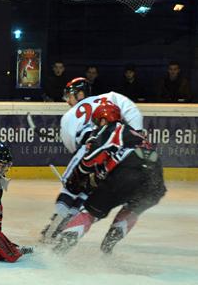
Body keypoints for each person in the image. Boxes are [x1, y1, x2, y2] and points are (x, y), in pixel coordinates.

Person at [40, 77, 143, 244]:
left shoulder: (68, 116)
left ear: (80, 94)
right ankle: (67, 224)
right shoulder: (111, 97)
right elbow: (132, 110)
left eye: (70, 96)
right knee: (87, 191)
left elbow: (72, 145)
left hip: (88, 151)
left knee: (71, 188)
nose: (68, 101)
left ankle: (55, 225)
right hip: (111, 155)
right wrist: (137, 132)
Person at [53, 102, 166, 255]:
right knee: (132, 208)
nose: (97, 127)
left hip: (127, 173)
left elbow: (91, 159)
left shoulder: (111, 129)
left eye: (97, 123)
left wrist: (77, 178)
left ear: (103, 120)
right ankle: (107, 248)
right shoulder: (137, 135)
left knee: (89, 212)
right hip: (155, 183)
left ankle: (58, 250)